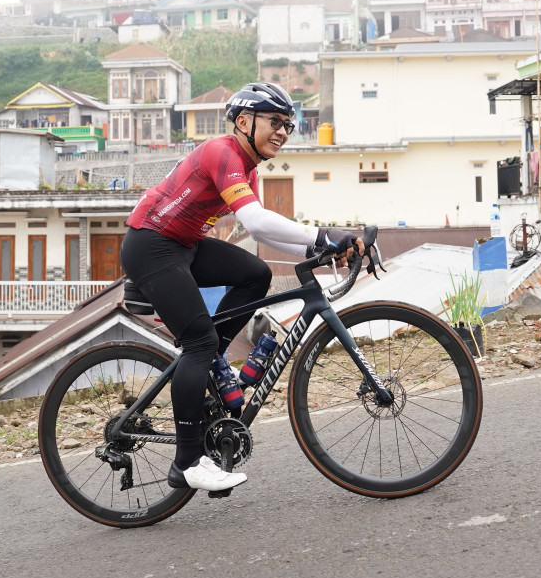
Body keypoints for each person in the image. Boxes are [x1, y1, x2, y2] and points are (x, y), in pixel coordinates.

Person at [121, 81, 362, 492]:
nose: (283, 132)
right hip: (152, 246)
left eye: (288, 125)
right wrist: (323, 235)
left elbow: (263, 228)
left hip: (184, 245)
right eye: (275, 122)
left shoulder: (247, 167)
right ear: (245, 121)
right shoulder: (222, 152)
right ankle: (187, 463)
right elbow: (256, 222)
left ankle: (211, 365)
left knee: (256, 274)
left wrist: (325, 245)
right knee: (198, 344)